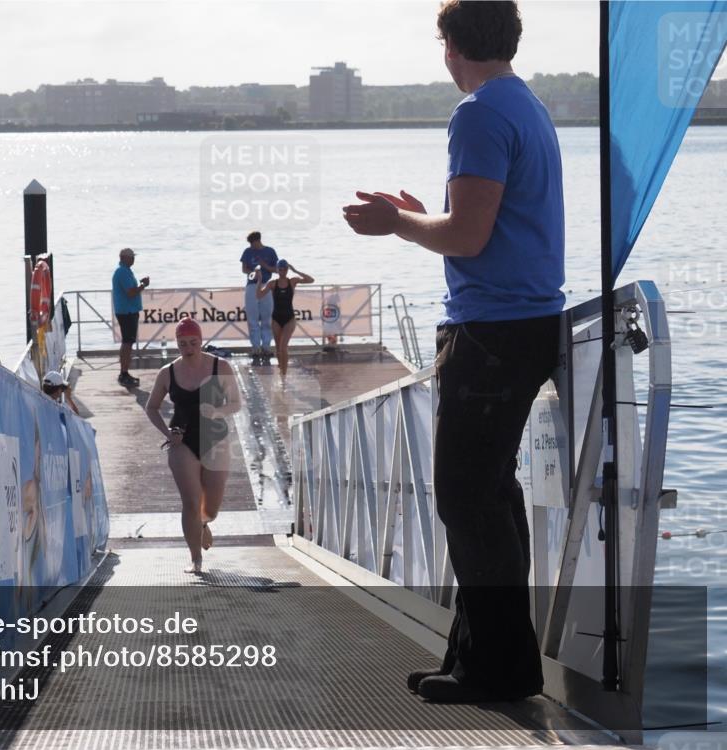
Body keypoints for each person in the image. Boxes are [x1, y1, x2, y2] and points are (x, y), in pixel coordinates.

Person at [343, 0, 564, 704]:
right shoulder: (524, 104)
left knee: (467, 499)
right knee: (491, 495)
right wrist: (417, 213)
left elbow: (467, 238)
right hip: (527, 322)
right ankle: (481, 659)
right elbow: (485, 224)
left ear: (450, 47)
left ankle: (499, 668)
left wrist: (396, 223)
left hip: (491, 331)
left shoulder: (478, 114)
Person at [145, 319, 242, 574]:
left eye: (193, 343)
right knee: (190, 501)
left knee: (211, 507)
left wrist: (217, 412)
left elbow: (236, 404)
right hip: (182, 441)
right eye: (182, 344)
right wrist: (167, 432)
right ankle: (195, 559)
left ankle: (203, 524)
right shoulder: (168, 372)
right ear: (176, 344)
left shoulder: (220, 366)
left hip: (216, 439)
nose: (188, 348)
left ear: (201, 341)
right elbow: (151, 407)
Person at [255, 259, 314, 378]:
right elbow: (259, 295)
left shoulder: (292, 281)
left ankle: (284, 376)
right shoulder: (272, 284)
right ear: (277, 270)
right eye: (280, 269)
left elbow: (311, 280)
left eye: (285, 269)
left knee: (283, 347)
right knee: (278, 349)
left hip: (289, 319)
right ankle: (281, 368)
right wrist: (260, 280)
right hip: (276, 319)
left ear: (287, 270)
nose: (282, 271)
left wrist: (296, 270)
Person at [111, 248, 150, 386]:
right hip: (126, 312)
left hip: (128, 311)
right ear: (123, 257)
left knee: (128, 342)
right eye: (131, 257)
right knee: (127, 343)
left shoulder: (125, 271)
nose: (133, 259)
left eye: (133, 257)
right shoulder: (122, 272)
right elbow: (131, 292)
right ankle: (123, 373)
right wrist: (143, 285)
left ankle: (124, 372)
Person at [239, 231, 278, 362]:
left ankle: (266, 346)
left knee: (267, 318)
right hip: (252, 285)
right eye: (250, 243)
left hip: (266, 285)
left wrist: (265, 266)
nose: (252, 246)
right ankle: (255, 347)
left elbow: (276, 269)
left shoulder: (270, 251)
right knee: (252, 318)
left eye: (253, 243)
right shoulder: (247, 252)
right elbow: (244, 269)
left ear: (258, 240)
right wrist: (253, 273)